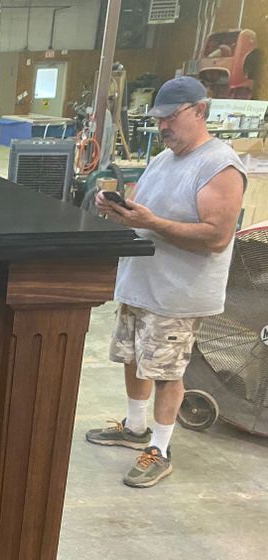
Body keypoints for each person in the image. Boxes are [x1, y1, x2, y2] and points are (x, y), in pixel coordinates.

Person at [86, 76, 246, 488]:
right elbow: (143, 212)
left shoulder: (219, 165)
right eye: (158, 120)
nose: (162, 128)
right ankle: (135, 426)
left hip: (177, 293)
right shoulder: (161, 160)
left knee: (166, 371)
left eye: (171, 118)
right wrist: (117, 211)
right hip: (142, 283)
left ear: (200, 111)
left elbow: (217, 236)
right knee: (133, 358)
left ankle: (160, 446)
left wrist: (151, 222)